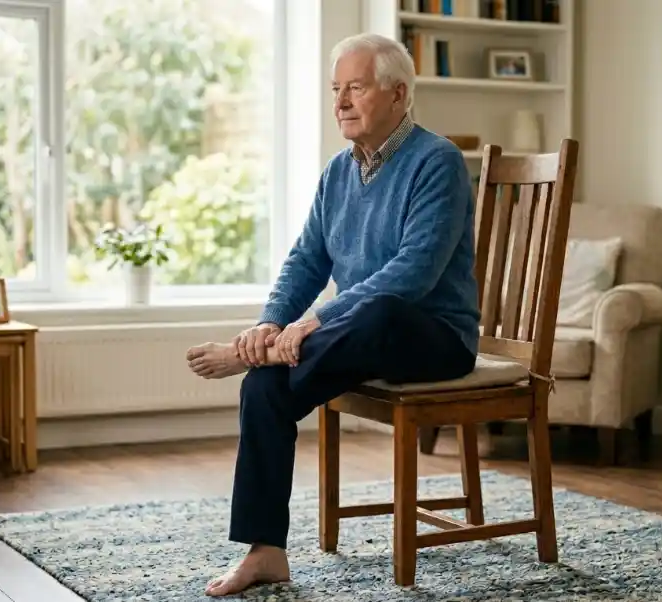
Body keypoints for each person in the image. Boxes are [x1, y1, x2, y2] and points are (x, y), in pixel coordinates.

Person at [186, 32, 481, 597]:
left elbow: (412, 274)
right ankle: (266, 551)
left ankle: (270, 353)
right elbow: (306, 260)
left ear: (398, 94)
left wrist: (312, 324)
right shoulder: (337, 172)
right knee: (264, 382)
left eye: (356, 88)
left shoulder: (437, 161)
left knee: (380, 309)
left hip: (434, 336)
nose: (341, 102)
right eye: (335, 90)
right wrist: (271, 324)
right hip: (356, 336)